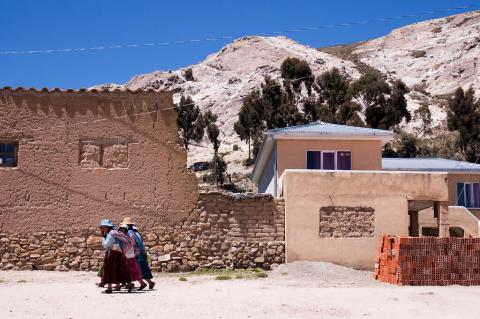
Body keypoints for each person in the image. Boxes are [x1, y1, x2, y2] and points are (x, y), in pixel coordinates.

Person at [99, 219, 133, 294]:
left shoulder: (110, 234)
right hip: (119, 253)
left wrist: (103, 238)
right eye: (102, 227)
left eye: (104, 227)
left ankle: (109, 288)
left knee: (109, 270)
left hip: (112, 254)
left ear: (108, 227)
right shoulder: (116, 233)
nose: (103, 228)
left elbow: (106, 245)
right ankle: (127, 284)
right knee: (120, 270)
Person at [122, 217, 156, 290]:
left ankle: (134, 283)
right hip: (142, 252)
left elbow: (131, 243)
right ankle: (149, 282)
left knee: (134, 269)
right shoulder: (136, 232)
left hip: (136, 253)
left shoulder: (130, 233)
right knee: (142, 269)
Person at [118, 223, 147, 290]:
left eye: (122, 230)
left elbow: (125, 248)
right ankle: (137, 283)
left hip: (128, 257)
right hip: (131, 257)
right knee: (132, 272)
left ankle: (129, 284)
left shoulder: (126, 238)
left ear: (125, 230)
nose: (120, 231)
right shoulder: (129, 237)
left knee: (128, 272)